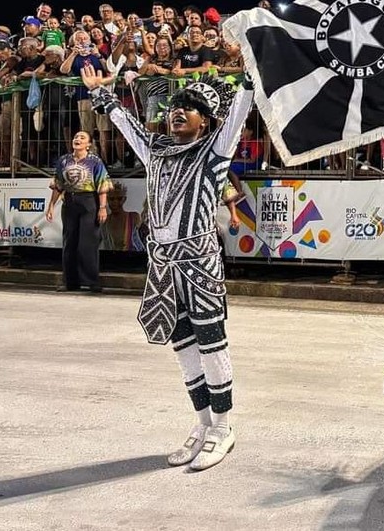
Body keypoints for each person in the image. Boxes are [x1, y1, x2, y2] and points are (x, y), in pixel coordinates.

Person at [79, 58, 254, 472]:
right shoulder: (155, 150)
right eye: (175, 105)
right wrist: (101, 94)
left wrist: (251, 75)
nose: (178, 111)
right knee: (183, 347)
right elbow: (125, 123)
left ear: (206, 122)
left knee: (212, 343)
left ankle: (223, 428)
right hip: (162, 267)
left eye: (189, 107)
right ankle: (201, 423)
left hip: (199, 265)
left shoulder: (214, 152)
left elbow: (241, 109)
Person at [46, 131, 111, 293]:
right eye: (76, 137)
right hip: (69, 202)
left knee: (88, 243)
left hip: (88, 201)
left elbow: (102, 185)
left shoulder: (95, 161)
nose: (78, 139)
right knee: (69, 242)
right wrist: (51, 206)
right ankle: (70, 282)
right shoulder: (64, 160)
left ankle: (91, 281)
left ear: (88, 144)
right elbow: (58, 185)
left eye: (82, 138)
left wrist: (102, 208)